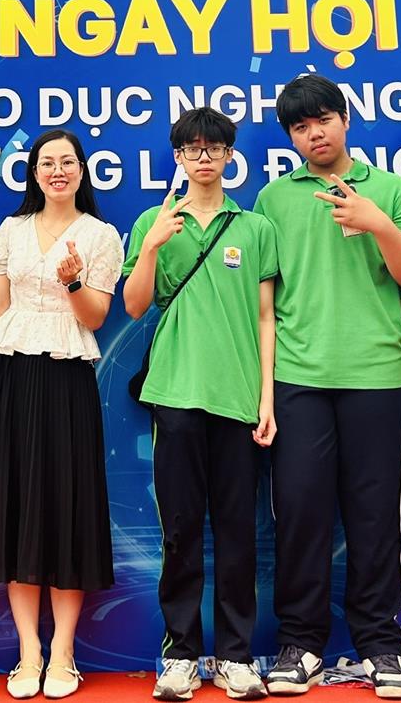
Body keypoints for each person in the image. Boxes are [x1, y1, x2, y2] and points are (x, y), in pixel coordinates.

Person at [252, 73, 401, 702]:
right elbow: (262, 299)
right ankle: (300, 644)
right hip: (298, 376)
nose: (314, 134)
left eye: (323, 119)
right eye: (300, 127)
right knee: (300, 512)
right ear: (291, 137)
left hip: (377, 374)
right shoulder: (273, 199)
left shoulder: (390, 189)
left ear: (345, 120)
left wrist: (378, 223)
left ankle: (380, 643)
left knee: (374, 514)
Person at [122, 108, 278, 703]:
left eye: (215, 147)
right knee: (181, 531)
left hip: (238, 398)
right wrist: (152, 246)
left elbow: (266, 318)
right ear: (179, 157)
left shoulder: (254, 227)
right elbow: (134, 305)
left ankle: (236, 656)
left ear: (231, 155)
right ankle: (181, 654)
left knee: (238, 531)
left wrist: (266, 397)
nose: (204, 156)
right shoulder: (153, 220)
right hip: (175, 394)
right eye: (193, 148)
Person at [0, 129, 123, 701]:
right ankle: (28, 652)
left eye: (67, 162)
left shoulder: (101, 235)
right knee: (16, 505)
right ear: (33, 172)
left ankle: (63, 653)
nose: (57, 171)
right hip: (11, 374)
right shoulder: (11, 229)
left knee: (66, 505)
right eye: (46, 162)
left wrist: (73, 281)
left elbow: (95, 316)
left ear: (82, 170)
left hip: (67, 375)